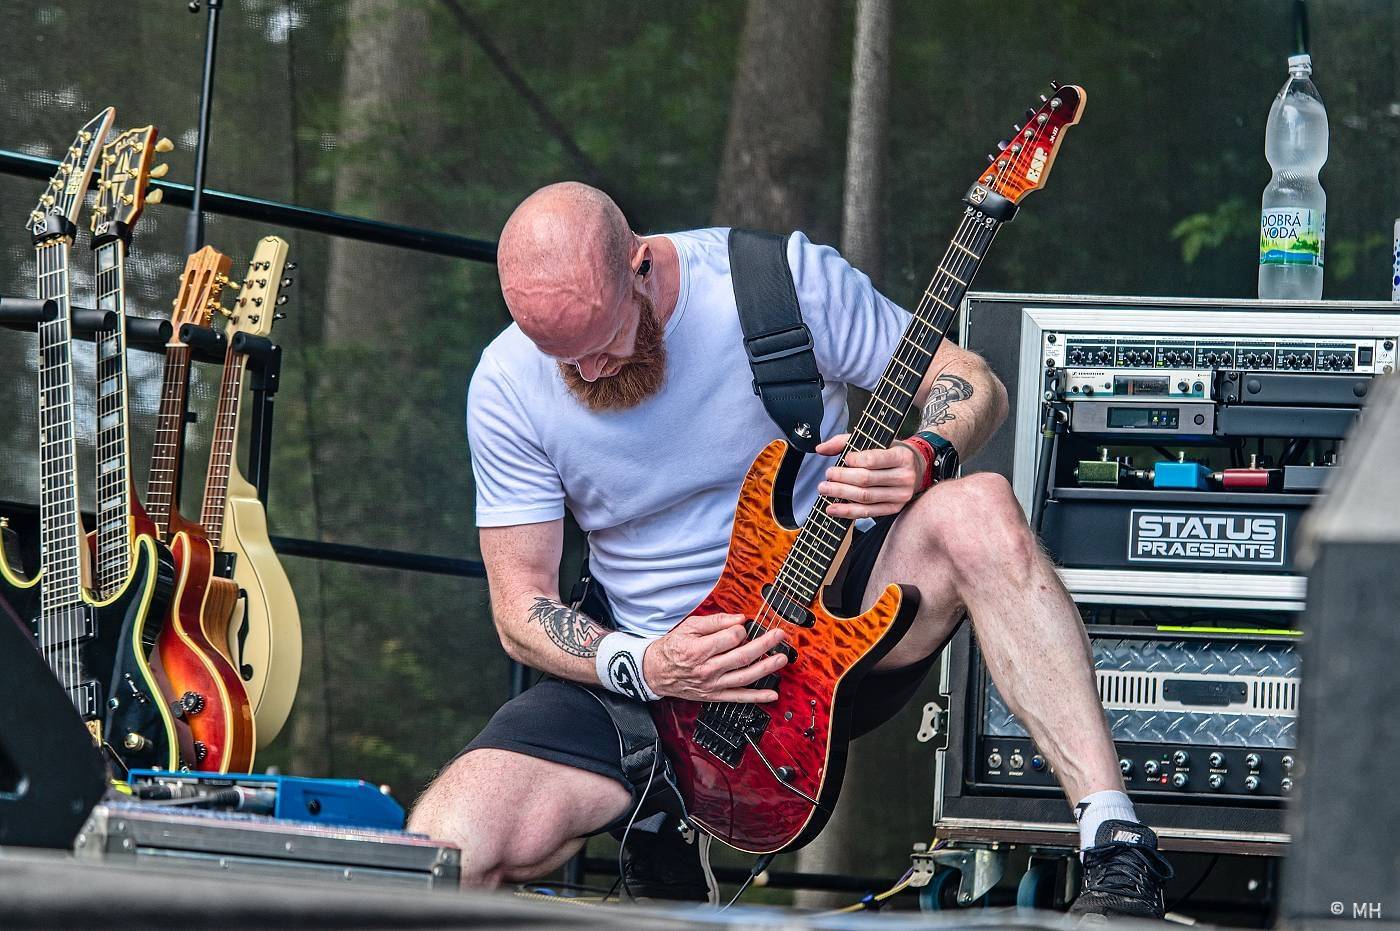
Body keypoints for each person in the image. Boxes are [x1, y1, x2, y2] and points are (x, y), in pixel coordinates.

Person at [409, 182, 1173, 918]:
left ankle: (1114, 839)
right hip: (644, 670)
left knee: (980, 508)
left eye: (602, 342)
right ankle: (665, 812)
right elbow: (521, 607)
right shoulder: (506, 382)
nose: (587, 371)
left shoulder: (775, 284)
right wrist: (649, 663)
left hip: (824, 622)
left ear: (640, 263)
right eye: (560, 355)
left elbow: (969, 377)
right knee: (445, 849)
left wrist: (926, 451)